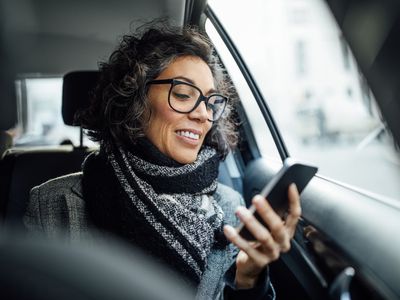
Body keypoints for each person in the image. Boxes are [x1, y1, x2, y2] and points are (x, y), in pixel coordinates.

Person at [24, 21, 301, 299]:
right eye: (183, 94)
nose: (203, 115)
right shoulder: (52, 202)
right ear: (135, 100)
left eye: (210, 102)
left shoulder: (230, 208)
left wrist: (248, 278)